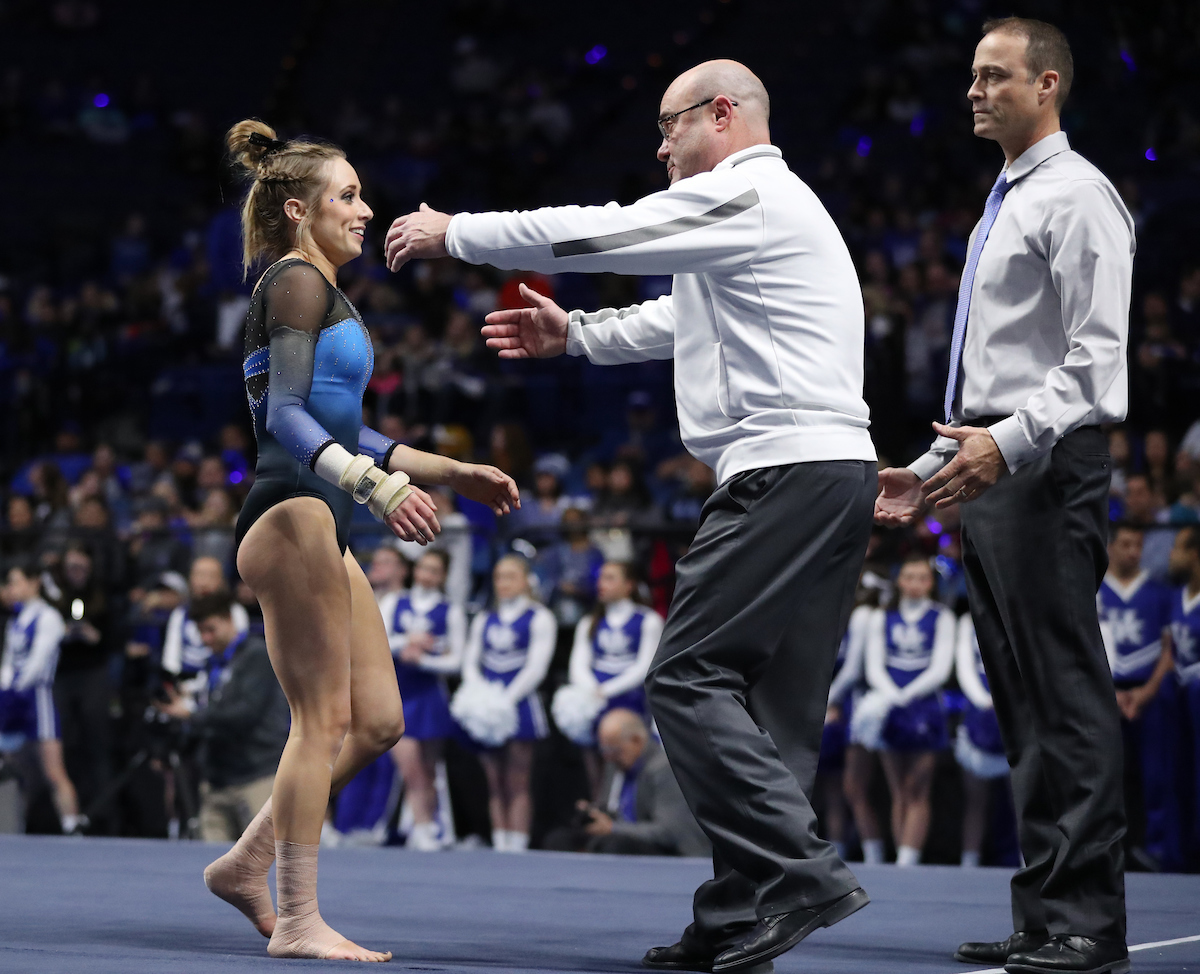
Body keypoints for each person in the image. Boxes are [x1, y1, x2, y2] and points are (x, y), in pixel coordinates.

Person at [388, 58, 876, 972]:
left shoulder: (749, 192)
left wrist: (462, 233)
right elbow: (679, 324)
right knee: (773, 713)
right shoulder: (755, 217)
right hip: (828, 470)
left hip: (786, 470)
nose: (659, 146)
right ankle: (742, 914)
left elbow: (606, 235)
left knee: (686, 682)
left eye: (670, 126)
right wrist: (575, 335)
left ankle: (803, 874)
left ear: (721, 115)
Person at [201, 119, 519, 963]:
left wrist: (452, 470)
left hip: (321, 516)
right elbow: (286, 417)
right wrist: (377, 487)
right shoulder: (297, 281)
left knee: (377, 722)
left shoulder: (319, 288)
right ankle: (299, 918)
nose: (366, 209)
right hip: (291, 511)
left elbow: (345, 424)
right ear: (299, 208)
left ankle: (247, 863)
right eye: (349, 195)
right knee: (321, 720)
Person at [874, 19, 1135, 974]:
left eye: (996, 76)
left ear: (1049, 85)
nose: (976, 91)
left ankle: (1090, 924)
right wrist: (933, 461)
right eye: (973, 77)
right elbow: (995, 369)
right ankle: (1045, 912)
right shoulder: (1011, 193)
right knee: (1022, 699)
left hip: (1043, 465)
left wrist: (1004, 445)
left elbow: (1095, 368)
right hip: (993, 460)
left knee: (1064, 690)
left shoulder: (1078, 196)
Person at [156, 592, 289, 842]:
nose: (206, 638)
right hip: (216, 782)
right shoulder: (214, 664)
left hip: (257, 777)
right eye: (201, 632)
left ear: (229, 620)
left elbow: (244, 714)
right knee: (214, 870)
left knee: (263, 866)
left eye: (211, 629)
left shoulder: (257, 655)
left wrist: (192, 715)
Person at [1099, 524, 1181, 871]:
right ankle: (1106, 848)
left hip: (1150, 691)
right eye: (1127, 544)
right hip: (1103, 691)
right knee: (1105, 776)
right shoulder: (1094, 589)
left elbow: (1170, 649)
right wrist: (1110, 693)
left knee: (1155, 773)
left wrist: (1145, 693)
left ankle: (1155, 848)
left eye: (1139, 545)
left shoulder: (1160, 592)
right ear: (1111, 546)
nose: (1134, 551)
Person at [863, 556, 955, 866]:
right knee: (897, 787)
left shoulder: (942, 617)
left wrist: (909, 695)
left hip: (925, 706)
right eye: (909, 577)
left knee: (918, 787)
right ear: (899, 581)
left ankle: (908, 860)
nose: (915, 584)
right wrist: (893, 696)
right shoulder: (881, 617)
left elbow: (940, 668)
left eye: (922, 578)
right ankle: (901, 859)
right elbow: (874, 666)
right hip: (890, 703)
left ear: (931, 583)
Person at [461, 554, 555, 853]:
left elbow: (536, 667)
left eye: (510, 576)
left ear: (526, 580)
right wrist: (480, 697)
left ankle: (519, 842)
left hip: (520, 704)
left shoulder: (540, 617)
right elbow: (470, 662)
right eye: (499, 577)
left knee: (517, 780)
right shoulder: (484, 618)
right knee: (494, 781)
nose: (503, 583)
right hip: (487, 704)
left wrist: (505, 700)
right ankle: (501, 842)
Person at [378, 550, 465, 851]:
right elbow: (377, 639)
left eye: (434, 571)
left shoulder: (450, 611)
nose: (427, 575)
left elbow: (457, 660)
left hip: (430, 694)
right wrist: (407, 645)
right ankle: (423, 825)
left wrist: (425, 660)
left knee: (429, 768)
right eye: (424, 569)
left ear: (442, 577)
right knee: (411, 767)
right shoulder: (394, 602)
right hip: (399, 691)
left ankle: (429, 826)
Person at [544, 708, 709, 857]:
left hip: (669, 851)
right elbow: (612, 811)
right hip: (622, 836)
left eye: (614, 750)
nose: (608, 757)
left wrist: (612, 828)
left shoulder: (664, 768)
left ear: (636, 740)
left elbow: (668, 832)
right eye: (605, 750)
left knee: (614, 844)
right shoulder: (616, 764)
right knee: (558, 839)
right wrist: (593, 813)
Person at [566, 561, 663, 795]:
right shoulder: (589, 622)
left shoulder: (648, 620)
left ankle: (625, 818)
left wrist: (606, 690)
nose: (602, 584)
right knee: (595, 773)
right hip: (593, 702)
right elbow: (577, 664)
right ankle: (600, 815)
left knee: (627, 767)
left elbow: (644, 667)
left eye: (610, 578)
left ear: (629, 585)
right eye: (600, 579)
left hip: (631, 700)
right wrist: (592, 691)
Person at [0, 562, 80, 834]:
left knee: (53, 771)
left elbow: (39, 660)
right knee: (12, 770)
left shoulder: (48, 617)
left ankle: (72, 826)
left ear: (34, 582)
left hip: (37, 697)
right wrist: (6, 688)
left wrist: (15, 687)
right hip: (13, 697)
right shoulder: (16, 620)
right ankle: (11, 825)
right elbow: (8, 661)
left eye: (16, 582)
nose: (11, 589)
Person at [823, 598, 880, 863]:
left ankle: (874, 856)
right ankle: (837, 854)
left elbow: (854, 668)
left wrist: (828, 700)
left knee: (854, 786)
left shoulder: (863, 615)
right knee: (833, 788)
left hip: (856, 706)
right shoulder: (820, 610)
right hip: (827, 707)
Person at [954, 613, 1013, 868]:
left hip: (1019, 710)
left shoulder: (1021, 612)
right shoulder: (969, 620)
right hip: (980, 711)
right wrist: (983, 702)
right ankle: (969, 860)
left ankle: (1030, 861)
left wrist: (1015, 702)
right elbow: (964, 666)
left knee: (1023, 800)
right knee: (975, 799)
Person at [161, 556, 251, 712]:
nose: (204, 582)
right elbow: (171, 662)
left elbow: (241, 655)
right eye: (199, 575)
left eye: (210, 576)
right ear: (190, 580)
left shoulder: (235, 613)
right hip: (185, 688)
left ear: (222, 581)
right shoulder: (180, 614)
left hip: (224, 688)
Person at [1167, 526, 1200, 868]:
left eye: (1176, 548)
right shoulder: (1176, 596)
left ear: (1194, 555)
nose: (1170, 555)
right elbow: (1168, 650)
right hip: (1179, 690)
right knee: (1175, 773)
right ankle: (1177, 853)